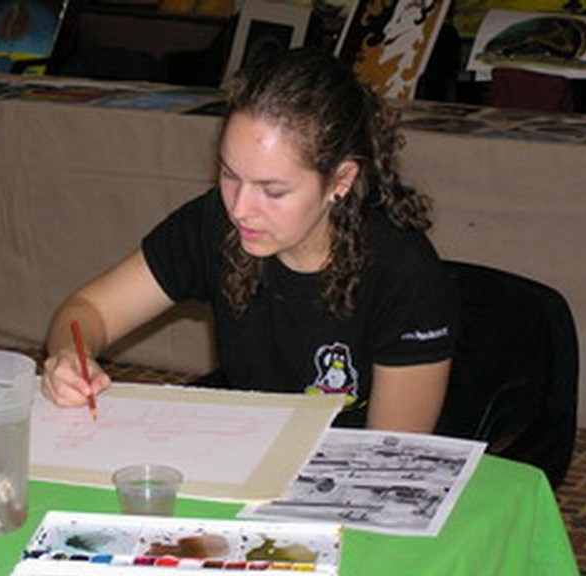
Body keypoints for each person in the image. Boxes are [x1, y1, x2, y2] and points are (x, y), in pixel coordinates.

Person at [42, 47, 458, 433]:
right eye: (228, 175)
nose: (240, 208)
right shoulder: (214, 221)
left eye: (272, 191)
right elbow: (88, 310)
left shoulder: (403, 271)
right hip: (247, 451)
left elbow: (392, 457)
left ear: (341, 180)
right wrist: (67, 357)